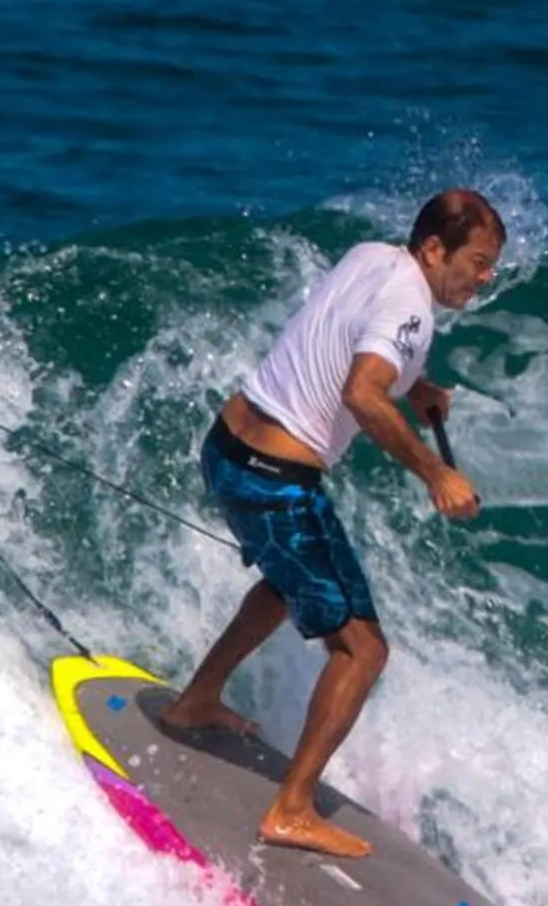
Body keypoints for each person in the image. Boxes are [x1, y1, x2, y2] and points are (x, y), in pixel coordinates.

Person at [159, 189, 501, 857]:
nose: (484, 277)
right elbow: (362, 391)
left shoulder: (374, 257)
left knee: (288, 587)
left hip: (229, 448)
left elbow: (357, 336)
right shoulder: (413, 310)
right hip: (274, 482)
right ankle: (290, 808)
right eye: (478, 261)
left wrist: (417, 384)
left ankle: (197, 699)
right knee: (364, 650)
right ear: (434, 250)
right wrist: (436, 472)